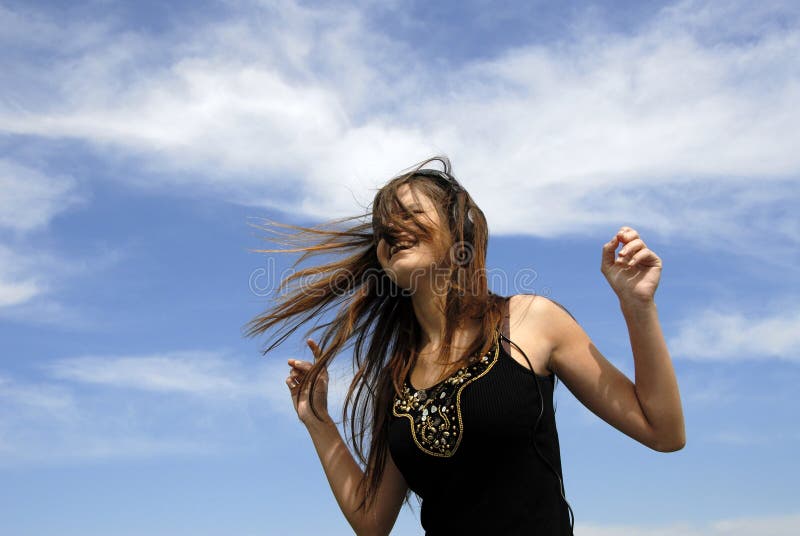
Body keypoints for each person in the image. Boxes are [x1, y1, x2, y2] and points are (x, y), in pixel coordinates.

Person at [243, 155, 686, 535]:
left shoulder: (531, 321)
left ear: (458, 230)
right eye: (384, 227)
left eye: (412, 214)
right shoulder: (397, 379)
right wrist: (319, 422)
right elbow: (372, 521)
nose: (393, 230)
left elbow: (663, 432)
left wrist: (638, 305)